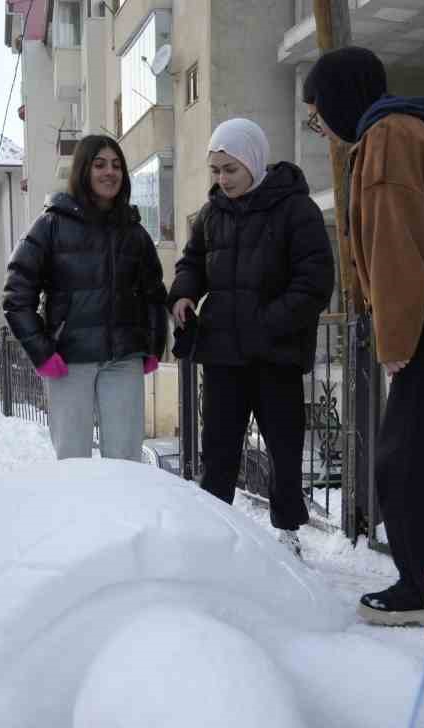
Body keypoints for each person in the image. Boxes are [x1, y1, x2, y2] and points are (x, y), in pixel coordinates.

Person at [302, 46, 424, 623]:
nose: (322, 127)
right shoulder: (408, 133)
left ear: (340, 99)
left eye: (318, 113)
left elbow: (395, 250)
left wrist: (396, 344)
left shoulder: (385, 140)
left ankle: (417, 586)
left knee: (401, 458)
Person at [169, 118, 335, 557]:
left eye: (230, 169)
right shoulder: (211, 215)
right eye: (216, 171)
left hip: (275, 354)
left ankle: (288, 532)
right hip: (222, 353)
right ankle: (213, 532)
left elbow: (315, 281)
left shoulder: (297, 211)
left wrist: (269, 321)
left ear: (253, 162)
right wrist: (184, 294)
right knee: (218, 448)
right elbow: (191, 263)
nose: (222, 180)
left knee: (283, 448)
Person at [3, 135, 167, 461]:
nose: (110, 172)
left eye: (117, 165)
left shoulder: (134, 232)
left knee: (125, 462)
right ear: (83, 170)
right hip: (69, 362)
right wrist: (42, 351)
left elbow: (153, 294)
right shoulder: (51, 225)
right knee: (73, 461)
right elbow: (16, 295)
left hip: (123, 361)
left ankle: (119, 516)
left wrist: (152, 346)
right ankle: (76, 515)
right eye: (100, 164)